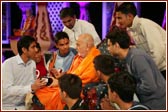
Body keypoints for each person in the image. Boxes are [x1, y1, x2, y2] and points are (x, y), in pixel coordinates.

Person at [34, 33, 100, 110]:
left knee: (51, 96)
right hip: (66, 83)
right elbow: (71, 73)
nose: (76, 47)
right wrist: (61, 77)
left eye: (78, 45)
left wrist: (59, 82)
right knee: (41, 90)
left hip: (76, 89)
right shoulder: (79, 57)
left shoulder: (95, 60)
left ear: (87, 47)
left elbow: (81, 80)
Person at [106, 26, 166, 110]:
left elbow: (149, 86)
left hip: (157, 104)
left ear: (116, 45)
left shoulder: (137, 58)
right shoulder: (128, 58)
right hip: (149, 102)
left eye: (109, 45)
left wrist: (129, 88)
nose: (107, 49)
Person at [115, 2, 166, 78]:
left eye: (119, 18)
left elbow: (158, 50)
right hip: (157, 69)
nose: (117, 22)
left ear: (129, 16)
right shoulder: (131, 29)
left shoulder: (145, 25)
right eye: (116, 18)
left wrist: (149, 71)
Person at [2, 36, 47, 110]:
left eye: (36, 46)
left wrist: (43, 82)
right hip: (7, 106)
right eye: (33, 47)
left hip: (23, 105)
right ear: (24, 50)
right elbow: (7, 89)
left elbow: (32, 83)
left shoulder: (32, 63)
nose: (36, 50)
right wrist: (31, 87)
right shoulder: (9, 64)